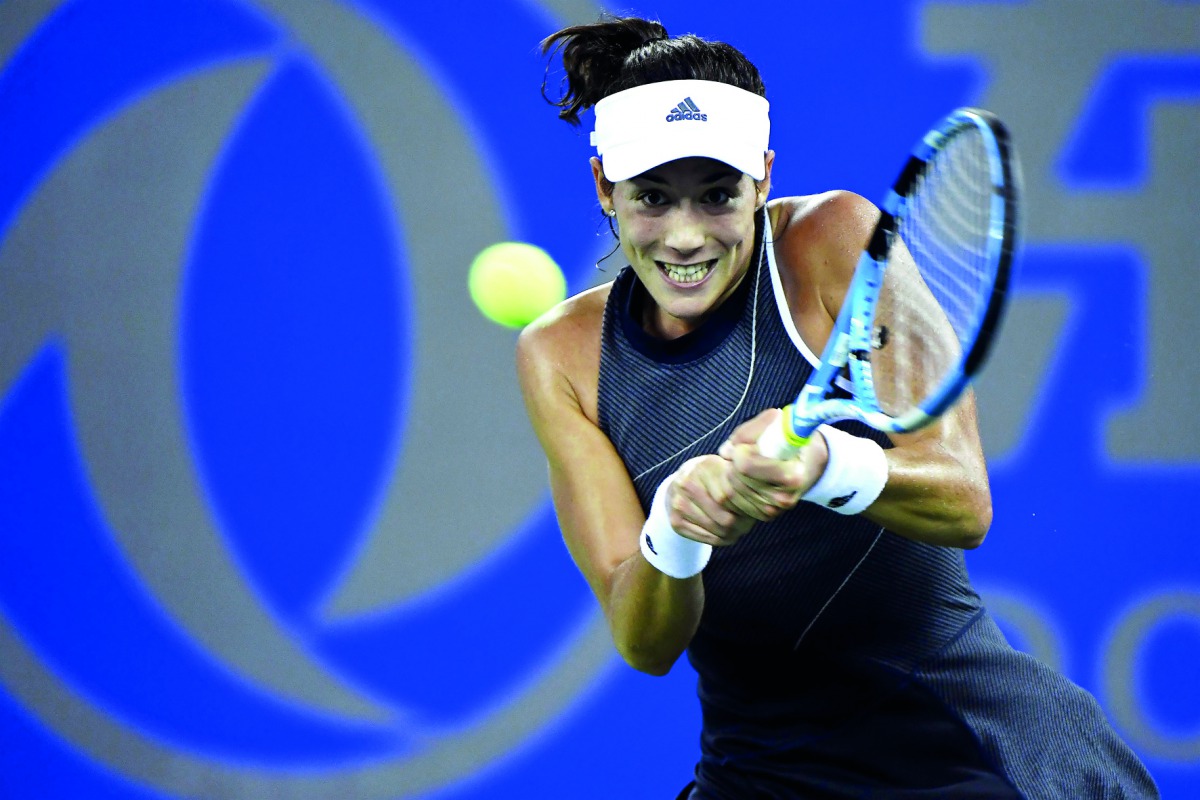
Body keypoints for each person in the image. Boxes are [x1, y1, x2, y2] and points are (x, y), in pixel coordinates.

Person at [517, 15, 1159, 799]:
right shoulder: (562, 354)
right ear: (603, 188)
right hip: (759, 773)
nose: (684, 238)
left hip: (966, 749)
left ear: (763, 175)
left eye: (718, 195)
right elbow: (643, 640)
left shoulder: (831, 241)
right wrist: (677, 532)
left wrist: (824, 465)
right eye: (652, 197)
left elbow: (963, 499)